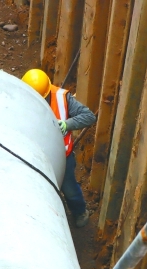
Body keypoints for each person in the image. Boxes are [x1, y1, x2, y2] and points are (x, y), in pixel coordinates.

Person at [21, 68, 97, 228]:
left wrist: (67, 124)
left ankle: (80, 211)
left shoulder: (62, 98)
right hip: (33, 157)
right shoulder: (21, 98)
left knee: (69, 189)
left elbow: (89, 116)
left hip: (62, 158)